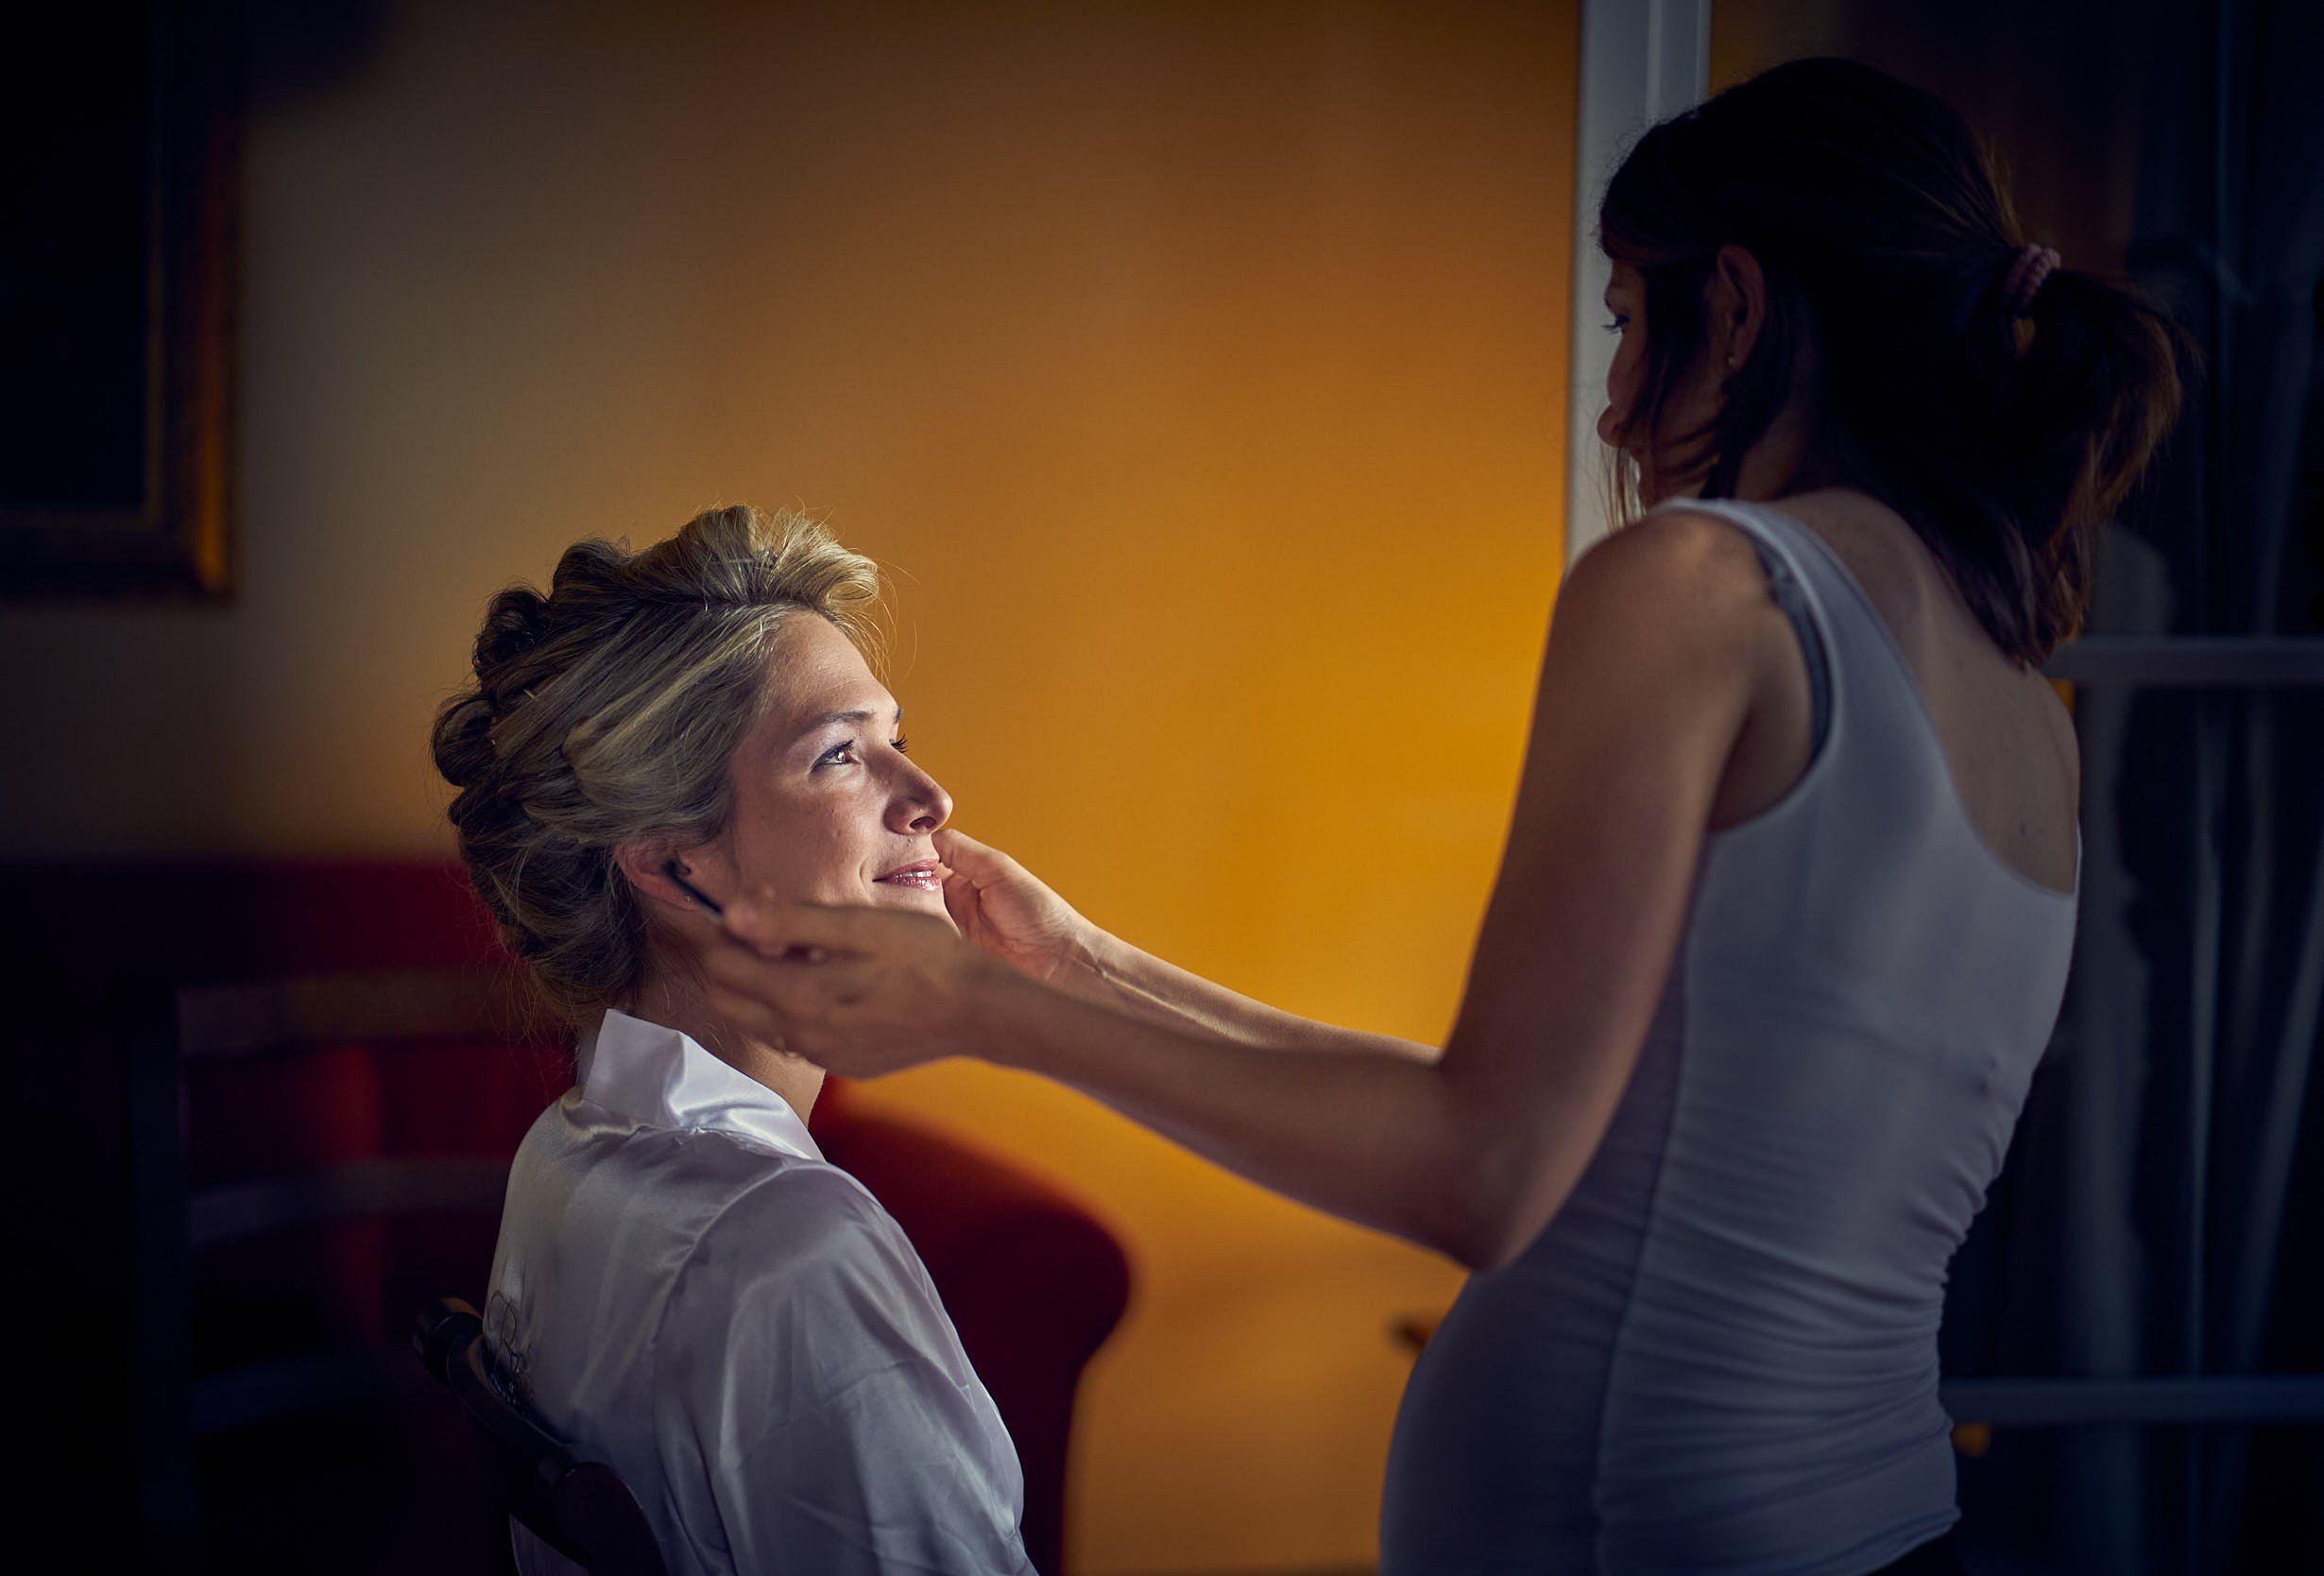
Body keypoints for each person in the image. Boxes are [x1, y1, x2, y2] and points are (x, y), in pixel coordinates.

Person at [685, 59, 2188, 1576]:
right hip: (1880, 1522)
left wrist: (982, 1019)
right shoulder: (2018, 701)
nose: (1612, 401)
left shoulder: (1702, 585)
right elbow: (1564, 1117)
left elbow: (1483, 1172)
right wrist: (1076, 967)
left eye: (1623, 323)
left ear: (1734, 308)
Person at [431, 506, 1035, 1576]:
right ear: (674, 867)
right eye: (843, 754)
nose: (931, 798)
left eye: (900, 740)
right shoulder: (794, 1255)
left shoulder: (565, 1154)